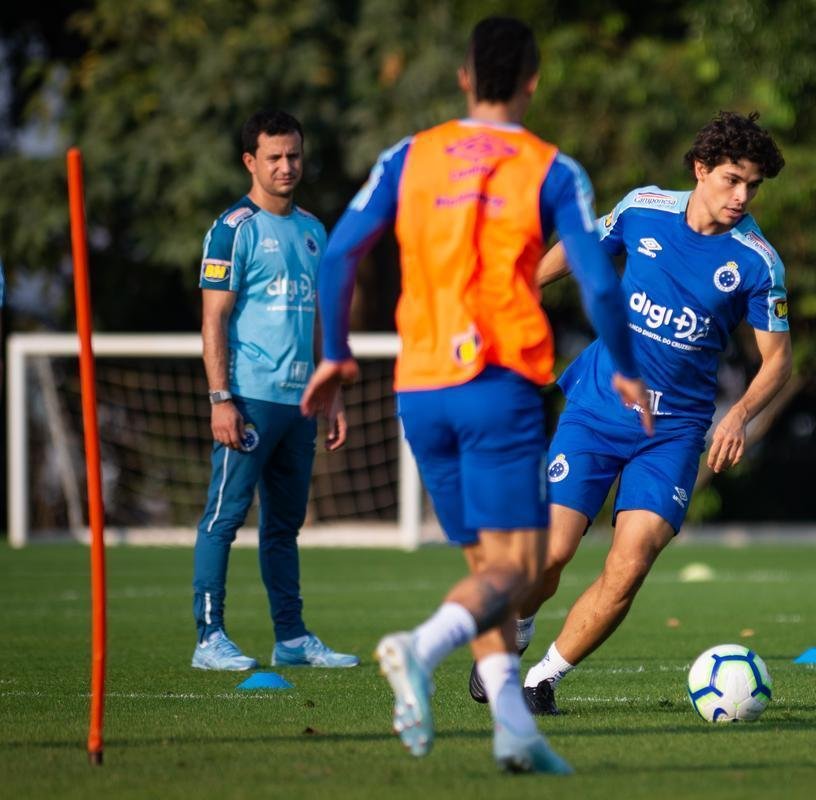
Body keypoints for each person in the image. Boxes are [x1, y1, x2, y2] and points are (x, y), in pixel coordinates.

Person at [300, 17, 649, 774]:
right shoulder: (553, 169)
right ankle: (420, 649)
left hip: (419, 388)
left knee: (486, 567)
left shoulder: (409, 156)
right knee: (518, 571)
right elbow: (595, 277)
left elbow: (339, 253)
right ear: (532, 80)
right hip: (498, 385)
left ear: (463, 78)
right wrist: (623, 363)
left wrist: (333, 354)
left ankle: (513, 731)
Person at [500, 111, 792, 715]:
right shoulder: (644, 207)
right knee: (552, 554)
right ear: (700, 169)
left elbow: (777, 361)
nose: (742, 196)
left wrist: (738, 415)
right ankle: (521, 626)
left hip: (674, 434)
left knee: (629, 564)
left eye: (753, 186)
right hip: (598, 409)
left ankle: (543, 680)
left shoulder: (758, 262)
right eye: (732, 180)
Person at [192, 110, 357, 672]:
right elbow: (214, 320)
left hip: (300, 403)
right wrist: (221, 399)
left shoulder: (314, 230)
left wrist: (331, 392)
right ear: (250, 162)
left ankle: (291, 638)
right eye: (274, 157)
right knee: (224, 517)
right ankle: (208, 637)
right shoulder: (232, 228)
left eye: (293, 156)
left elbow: (317, 320)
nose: (287, 167)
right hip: (249, 397)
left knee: (284, 526)